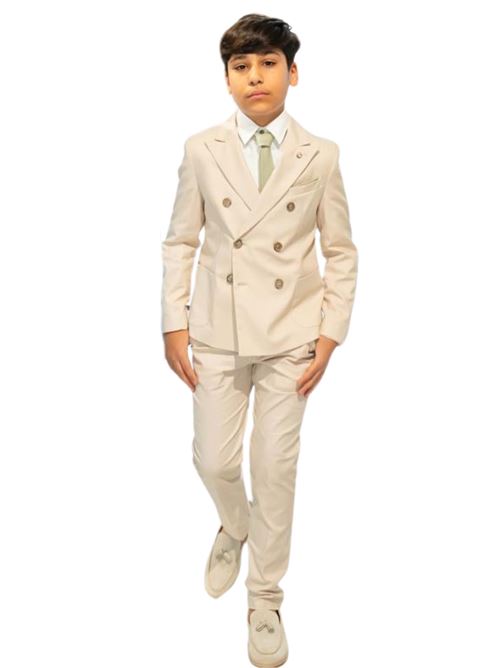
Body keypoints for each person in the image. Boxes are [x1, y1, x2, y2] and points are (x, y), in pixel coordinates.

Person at [161, 13, 358, 667]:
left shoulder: (321, 155)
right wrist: (174, 321)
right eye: (241, 67)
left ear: (292, 73)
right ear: (227, 80)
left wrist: (330, 333)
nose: (255, 77)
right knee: (215, 462)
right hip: (217, 331)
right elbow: (181, 240)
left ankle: (265, 599)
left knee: (274, 472)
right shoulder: (201, 149)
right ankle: (234, 522)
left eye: (268, 63)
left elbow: (341, 250)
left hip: (292, 337)